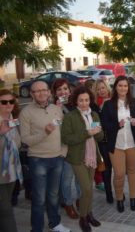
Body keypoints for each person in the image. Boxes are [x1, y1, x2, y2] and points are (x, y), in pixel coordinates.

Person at [20, 80, 71, 232]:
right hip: (38, 160)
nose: (41, 93)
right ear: (31, 94)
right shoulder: (26, 112)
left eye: (44, 90)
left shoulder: (57, 109)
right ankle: (37, 228)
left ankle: (55, 223)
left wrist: (63, 153)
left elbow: (64, 134)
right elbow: (25, 139)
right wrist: (45, 133)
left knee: (54, 195)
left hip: (57, 158)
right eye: (36, 91)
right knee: (39, 198)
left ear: (49, 92)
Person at [61, 86, 104, 232]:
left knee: (89, 189)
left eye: (86, 100)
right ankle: (83, 218)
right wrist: (88, 133)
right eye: (81, 100)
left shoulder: (94, 115)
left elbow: (100, 137)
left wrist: (97, 132)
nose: (84, 103)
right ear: (76, 101)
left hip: (92, 156)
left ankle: (89, 213)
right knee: (85, 188)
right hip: (77, 158)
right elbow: (66, 138)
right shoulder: (70, 117)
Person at [101, 76, 135, 213]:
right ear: (115, 87)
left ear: (128, 88)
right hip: (116, 145)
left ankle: (132, 198)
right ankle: (119, 198)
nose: (123, 88)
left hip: (132, 144)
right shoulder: (108, 104)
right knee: (119, 174)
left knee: (132, 171)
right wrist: (117, 125)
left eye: (125, 86)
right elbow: (105, 124)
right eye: (120, 86)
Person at [51, 78, 81, 219]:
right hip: (64, 148)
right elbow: (53, 128)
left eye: (65, 88)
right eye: (59, 89)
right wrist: (57, 108)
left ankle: (80, 200)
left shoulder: (76, 104)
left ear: (70, 90)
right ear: (55, 93)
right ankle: (68, 204)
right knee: (67, 179)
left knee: (80, 178)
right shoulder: (52, 108)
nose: (63, 91)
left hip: (79, 147)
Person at [0, 89, 23, 232]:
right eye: (4, 102)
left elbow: (18, 143)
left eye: (11, 101)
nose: (8, 104)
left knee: (5, 206)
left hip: (12, 172)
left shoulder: (14, 121)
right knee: (6, 210)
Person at [93, 79, 113, 203]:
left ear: (107, 88)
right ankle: (109, 193)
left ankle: (118, 191)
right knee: (106, 168)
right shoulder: (94, 105)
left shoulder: (114, 101)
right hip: (102, 140)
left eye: (103, 88)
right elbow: (94, 124)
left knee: (117, 167)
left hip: (115, 139)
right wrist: (101, 108)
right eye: (98, 89)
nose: (101, 91)